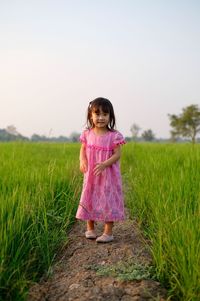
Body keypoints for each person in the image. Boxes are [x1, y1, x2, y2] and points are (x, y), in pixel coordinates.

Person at [76, 97, 126, 243]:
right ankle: (90, 228)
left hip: (108, 175)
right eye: (97, 114)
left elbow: (117, 154)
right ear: (91, 116)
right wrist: (82, 160)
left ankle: (108, 232)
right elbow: (83, 149)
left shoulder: (114, 136)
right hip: (91, 173)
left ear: (110, 116)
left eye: (105, 114)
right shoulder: (87, 134)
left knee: (107, 199)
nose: (101, 117)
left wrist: (105, 164)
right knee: (89, 195)